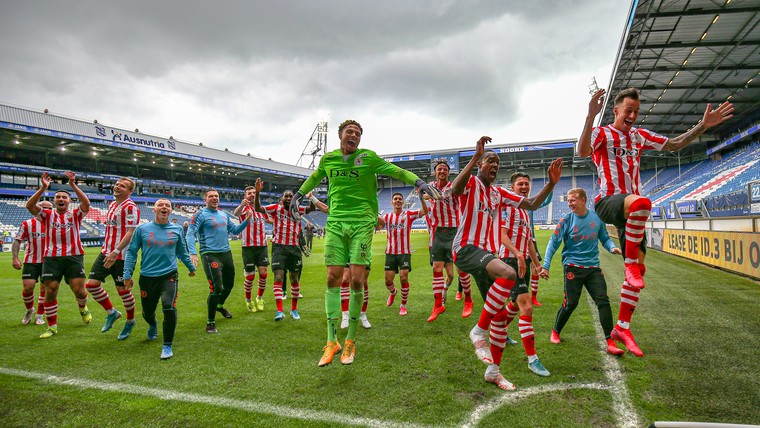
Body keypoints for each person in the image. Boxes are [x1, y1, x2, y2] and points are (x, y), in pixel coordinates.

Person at [578, 88, 733, 356]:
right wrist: (591, 115)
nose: (633, 115)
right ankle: (629, 266)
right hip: (609, 201)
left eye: (637, 111)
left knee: (641, 268)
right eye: (629, 110)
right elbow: (582, 152)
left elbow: (675, 144)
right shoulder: (602, 133)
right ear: (616, 111)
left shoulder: (639, 136)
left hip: (631, 212)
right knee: (642, 203)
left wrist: (703, 126)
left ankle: (622, 327)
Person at [294, 119, 441, 366]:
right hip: (336, 222)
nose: (354, 135)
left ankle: (350, 341)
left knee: (357, 280)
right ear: (340, 135)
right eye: (349, 132)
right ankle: (332, 341)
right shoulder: (328, 160)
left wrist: (418, 181)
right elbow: (315, 178)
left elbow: (396, 171)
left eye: (358, 133)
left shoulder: (368, 157)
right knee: (332, 277)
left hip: (362, 222)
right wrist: (298, 194)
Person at [452, 137, 561, 390]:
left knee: (500, 319)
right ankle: (478, 330)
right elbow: (456, 190)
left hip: (486, 256)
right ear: (480, 164)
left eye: (497, 163)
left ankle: (493, 371)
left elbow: (532, 203)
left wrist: (552, 184)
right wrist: (474, 157)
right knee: (508, 272)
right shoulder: (471, 183)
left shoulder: (498, 193)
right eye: (490, 160)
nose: (495, 165)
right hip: (467, 248)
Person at [539, 187, 624, 356]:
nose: (569, 203)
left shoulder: (597, 218)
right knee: (570, 304)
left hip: (593, 268)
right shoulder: (566, 220)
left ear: (583, 200)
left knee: (603, 302)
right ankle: (555, 331)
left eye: (573, 200)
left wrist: (612, 248)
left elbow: (604, 238)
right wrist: (546, 266)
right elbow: (553, 243)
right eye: (568, 200)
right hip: (572, 267)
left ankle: (609, 341)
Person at [124, 198, 196, 360]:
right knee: (147, 312)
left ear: (171, 210)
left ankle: (167, 345)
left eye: (167, 206)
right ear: (154, 209)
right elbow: (132, 252)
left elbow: (182, 252)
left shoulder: (176, 229)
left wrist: (191, 268)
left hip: (169, 276)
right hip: (147, 278)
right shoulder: (142, 229)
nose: (164, 207)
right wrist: (127, 275)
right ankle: (153, 324)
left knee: (169, 308)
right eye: (160, 205)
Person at [26, 172, 93, 338]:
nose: (61, 199)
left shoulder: (76, 214)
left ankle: (83, 307)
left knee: (79, 291)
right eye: (58, 197)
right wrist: (43, 188)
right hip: (51, 257)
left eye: (64, 197)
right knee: (51, 291)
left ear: (69, 201)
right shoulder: (47, 215)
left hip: (74, 256)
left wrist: (73, 185)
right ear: (54, 201)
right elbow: (30, 206)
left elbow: (86, 203)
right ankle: (52, 327)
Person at [498, 172, 550, 377]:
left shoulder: (524, 213)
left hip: (523, 261)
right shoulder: (507, 208)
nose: (524, 187)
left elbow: (529, 242)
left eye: (527, 184)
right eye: (520, 184)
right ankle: (532, 359)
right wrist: (517, 254)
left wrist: (537, 266)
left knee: (513, 303)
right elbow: (502, 236)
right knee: (526, 307)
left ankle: (499, 331)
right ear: (512, 188)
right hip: (509, 261)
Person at [85, 177, 141, 340]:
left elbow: (131, 232)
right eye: (117, 184)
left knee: (122, 291)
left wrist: (116, 251)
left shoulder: (130, 207)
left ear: (130, 191)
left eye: (122, 186)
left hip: (122, 255)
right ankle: (112, 312)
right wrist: (110, 250)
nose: (117, 187)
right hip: (106, 252)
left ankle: (130, 321)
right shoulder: (111, 204)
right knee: (91, 285)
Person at [186, 189, 249, 334]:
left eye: (216, 196)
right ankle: (210, 322)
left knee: (229, 285)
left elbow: (234, 230)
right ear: (205, 199)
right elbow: (190, 233)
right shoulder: (200, 214)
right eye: (211, 196)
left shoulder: (224, 214)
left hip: (226, 254)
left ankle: (219, 306)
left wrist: (246, 221)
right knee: (216, 288)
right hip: (210, 254)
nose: (214, 198)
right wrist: (193, 253)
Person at [253, 183, 317, 321]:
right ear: (281, 199)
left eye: (290, 196)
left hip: (294, 249)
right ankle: (280, 311)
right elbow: (258, 208)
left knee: (294, 279)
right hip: (279, 248)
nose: (288, 197)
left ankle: (294, 310)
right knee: (278, 278)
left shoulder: (297, 209)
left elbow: (311, 208)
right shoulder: (276, 208)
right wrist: (257, 193)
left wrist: (311, 198)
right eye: (286, 196)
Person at [424, 160, 474, 322]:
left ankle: (468, 299)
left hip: (454, 231)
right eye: (439, 169)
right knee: (436, 269)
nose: (442, 171)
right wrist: (427, 194)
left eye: (445, 169)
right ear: (435, 172)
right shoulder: (430, 186)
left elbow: (460, 191)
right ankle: (438, 304)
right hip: (438, 232)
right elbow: (423, 192)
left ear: (448, 172)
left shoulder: (454, 186)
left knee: (461, 269)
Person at [377, 191, 427, 316]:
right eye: (395, 199)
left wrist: (421, 198)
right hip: (390, 253)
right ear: (392, 202)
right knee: (388, 281)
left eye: (400, 199)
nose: (398, 201)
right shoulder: (387, 217)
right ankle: (393, 292)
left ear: (403, 202)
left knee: (403, 277)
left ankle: (403, 305)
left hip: (404, 252)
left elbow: (424, 211)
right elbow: (378, 224)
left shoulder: (409, 215)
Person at [12, 200, 53, 325]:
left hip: (49, 261)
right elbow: (17, 241)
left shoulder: (55, 224)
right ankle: (30, 310)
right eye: (44, 208)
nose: (47, 211)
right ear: (37, 209)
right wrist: (15, 257)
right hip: (31, 261)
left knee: (44, 289)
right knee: (28, 287)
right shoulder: (27, 224)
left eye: (50, 208)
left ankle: (40, 315)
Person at [233, 186, 270, 313]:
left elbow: (269, 219)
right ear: (245, 196)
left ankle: (259, 298)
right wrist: (242, 205)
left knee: (264, 274)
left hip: (262, 246)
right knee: (250, 277)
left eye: (254, 192)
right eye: (249, 193)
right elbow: (236, 214)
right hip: (248, 246)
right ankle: (248, 301)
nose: (252, 195)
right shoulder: (244, 209)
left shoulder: (261, 208)